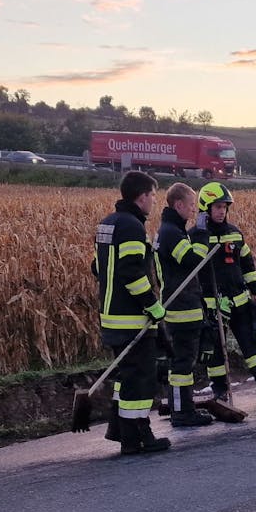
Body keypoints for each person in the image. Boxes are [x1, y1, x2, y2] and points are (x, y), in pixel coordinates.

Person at [190, 182, 256, 401]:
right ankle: (220, 389)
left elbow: (247, 264)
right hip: (213, 304)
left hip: (239, 299)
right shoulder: (196, 236)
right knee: (217, 352)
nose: (222, 211)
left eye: (224, 207)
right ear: (205, 208)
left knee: (252, 345)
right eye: (217, 207)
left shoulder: (234, 233)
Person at [93, 171, 170, 455]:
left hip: (110, 316)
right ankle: (138, 436)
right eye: (152, 195)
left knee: (126, 377)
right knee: (140, 380)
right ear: (141, 197)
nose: (154, 201)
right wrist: (153, 306)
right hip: (131, 318)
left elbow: (98, 268)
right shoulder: (132, 227)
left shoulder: (108, 224)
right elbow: (132, 272)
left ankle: (120, 429)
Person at [153, 182, 214, 429]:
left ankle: (181, 407)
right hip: (182, 307)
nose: (193, 210)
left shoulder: (171, 230)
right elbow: (193, 261)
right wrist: (200, 235)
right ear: (178, 205)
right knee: (182, 363)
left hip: (179, 302)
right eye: (191, 205)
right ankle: (182, 412)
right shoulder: (171, 232)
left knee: (181, 362)